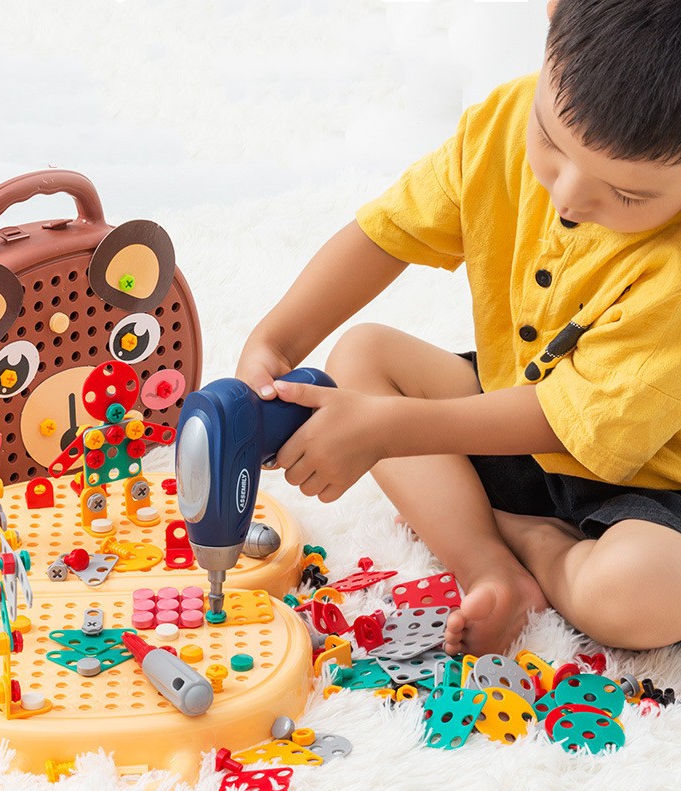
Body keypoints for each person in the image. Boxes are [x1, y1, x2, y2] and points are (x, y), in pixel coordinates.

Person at [235, 0, 681, 657]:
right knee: (364, 354)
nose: (568, 196)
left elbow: (567, 419)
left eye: (629, 198)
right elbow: (388, 233)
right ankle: (489, 567)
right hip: (508, 411)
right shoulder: (503, 120)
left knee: (646, 592)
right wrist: (275, 341)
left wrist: (385, 427)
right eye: (551, 144)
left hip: (649, 484)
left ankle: (534, 541)